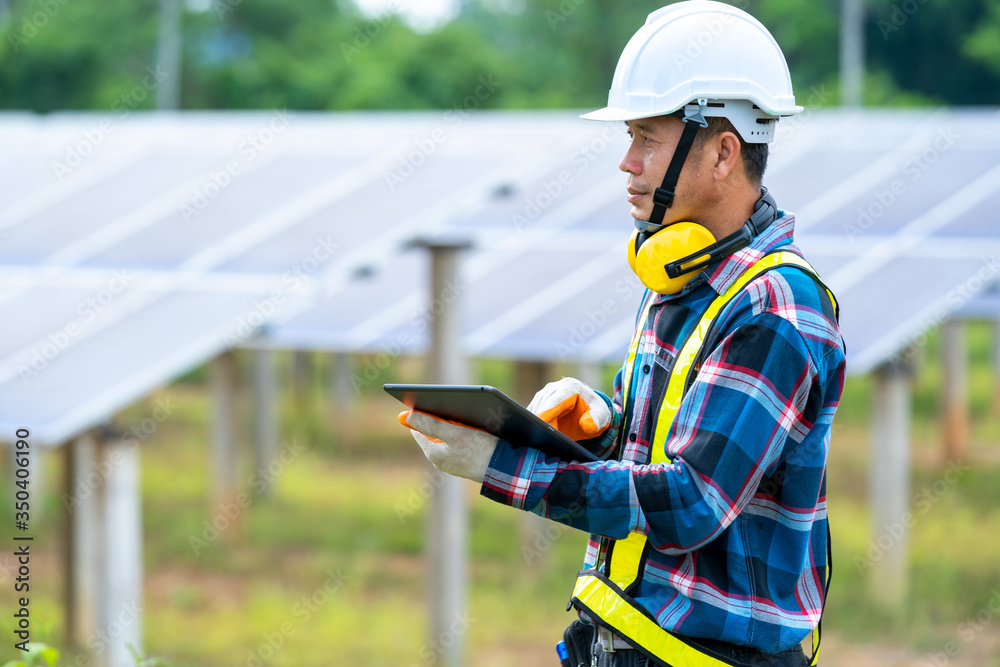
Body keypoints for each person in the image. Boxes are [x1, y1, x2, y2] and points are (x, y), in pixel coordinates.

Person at [398, 2, 846, 665]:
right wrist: (603, 425)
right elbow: (670, 452)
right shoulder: (681, 273)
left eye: (645, 138)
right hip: (628, 639)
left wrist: (504, 465)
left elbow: (693, 500)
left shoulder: (775, 306)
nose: (626, 162)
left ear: (723, 152)